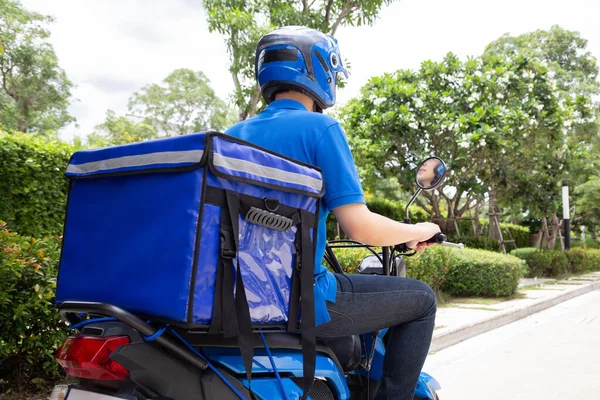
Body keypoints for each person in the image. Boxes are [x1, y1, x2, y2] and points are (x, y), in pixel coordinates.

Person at [225, 26, 441, 400]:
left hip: (239, 296)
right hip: (304, 299)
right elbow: (359, 225)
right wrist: (415, 229)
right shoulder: (321, 128)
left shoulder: (233, 133)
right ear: (321, 72)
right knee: (421, 300)